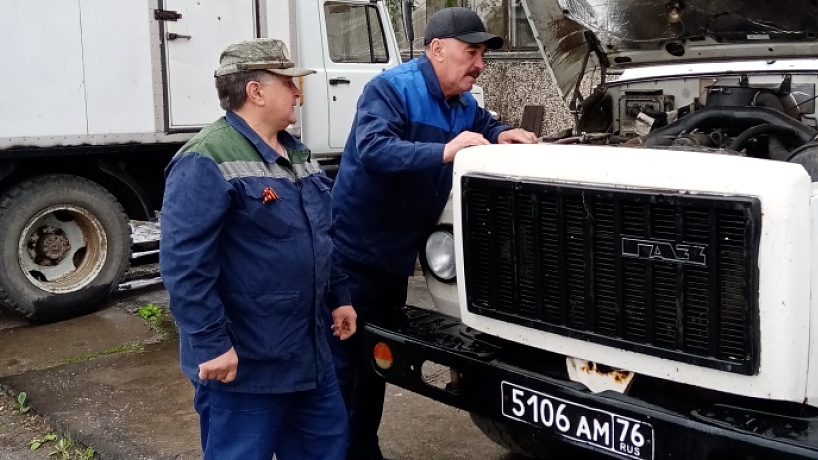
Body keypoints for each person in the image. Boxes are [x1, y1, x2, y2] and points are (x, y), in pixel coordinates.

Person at [328, 7, 538, 460]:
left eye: (482, 54)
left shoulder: (462, 102)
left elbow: (482, 126)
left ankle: (363, 449)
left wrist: (504, 134)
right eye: (471, 52)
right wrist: (445, 150)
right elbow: (374, 150)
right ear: (437, 50)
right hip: (355, 255)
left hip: (394, 258)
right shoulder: (391, 89)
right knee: (344, 368)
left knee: (373, 365)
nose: (478, 63)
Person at [159, 38, 358, 460]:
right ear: (256, 91)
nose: (298, 93)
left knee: (327, 449)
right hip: (245, 367)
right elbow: (184, 266)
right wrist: (211, 344)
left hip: (310, 357)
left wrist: (339, 298)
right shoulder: (205, 159)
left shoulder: (298, 154)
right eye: (289, 83)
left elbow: (322, 234)